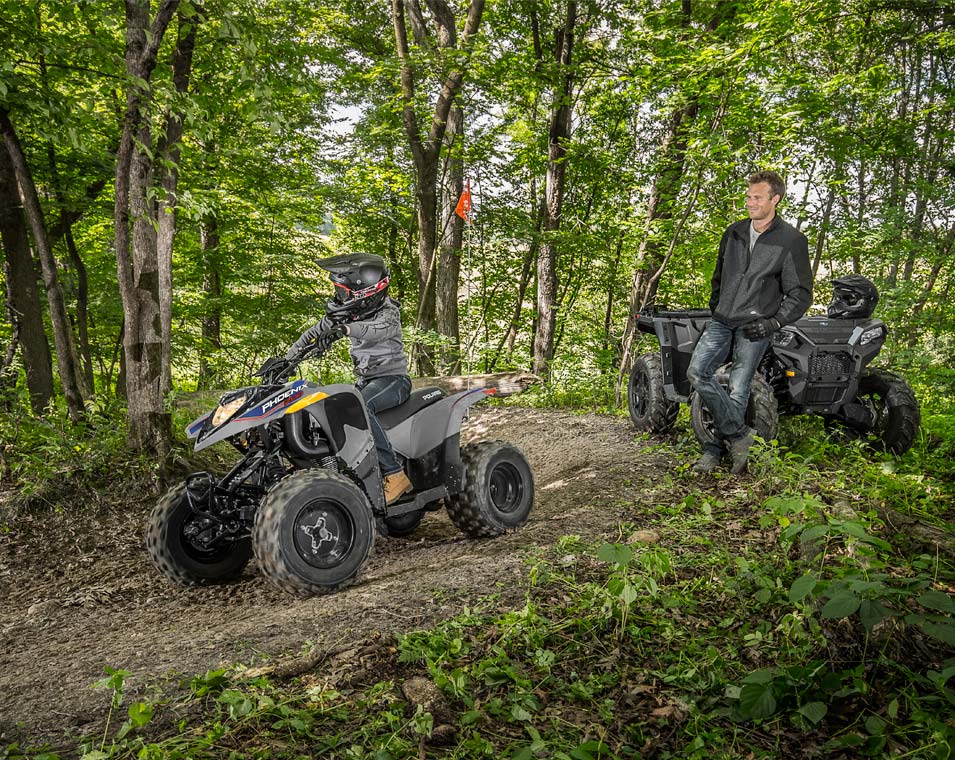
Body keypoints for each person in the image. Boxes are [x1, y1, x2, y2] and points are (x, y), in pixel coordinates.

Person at [687, 170, 813, 474]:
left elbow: (800, 293)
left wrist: (774, 323)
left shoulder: (791, 241)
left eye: (757, 197)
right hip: (722, 320)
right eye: (748, 196)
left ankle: (713, 450)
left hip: (755, 327)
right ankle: (741, 436)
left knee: (739, 388)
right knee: (697, 372)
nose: (750, 202)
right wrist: (717, 304)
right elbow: (719, 275)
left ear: (775, 199)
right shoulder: (734, 232)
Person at [286, 252, 414, 504]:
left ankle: (394, 473)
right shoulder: (349, 313)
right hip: (364, 382)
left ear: (365, 292)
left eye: (344, 292)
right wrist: (287, 359)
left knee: (360, 407)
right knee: (327, 408)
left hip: (393, 380)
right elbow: (312, 334)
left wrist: (344, 329)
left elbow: (374, 331)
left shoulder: (389, 314)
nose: (339, 297)